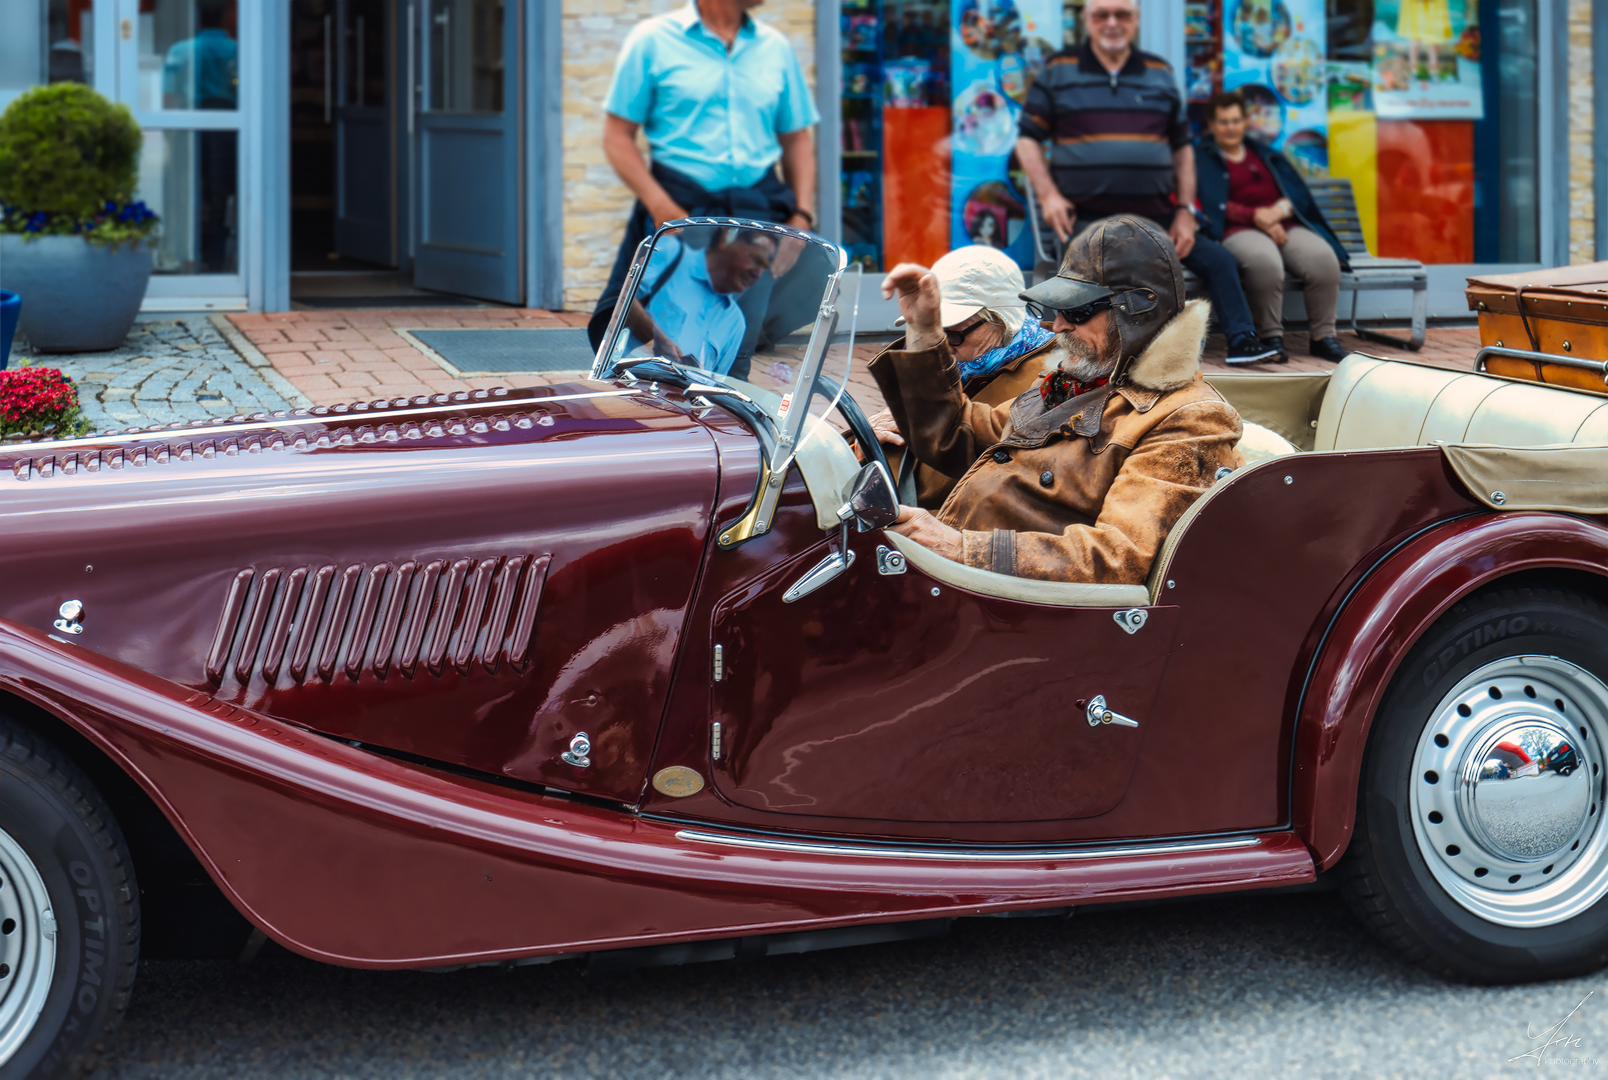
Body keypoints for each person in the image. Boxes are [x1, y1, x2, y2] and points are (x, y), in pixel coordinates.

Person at [874, 216, 1243, 585]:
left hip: (1009, 602)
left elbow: (1120, 557)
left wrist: (961, 548)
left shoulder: (1191, 418)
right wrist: (924, 329)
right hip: (959, 573)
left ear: (1137, 313)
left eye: (1077, 312)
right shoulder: (1074, 380)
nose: (1059, 326)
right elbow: (957, 435)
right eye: (1058, 310)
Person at [1013, 0, 1280, 366]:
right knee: (1101, 282)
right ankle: (1114, 356)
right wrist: (1048, 195)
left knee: (1218, 259)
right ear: (1087, 19)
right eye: (1102, 14)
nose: (1112, 22)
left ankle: (1243, 340)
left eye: (1121, 14)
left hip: (1157, 221)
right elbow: (1027, 139)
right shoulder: (1059, 70)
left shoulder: (1158, 71)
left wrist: (1185, 211)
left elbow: (1182, 148)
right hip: (1091, 224)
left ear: (1135, 19)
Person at [589, 0, 820, 379]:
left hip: (756, 212)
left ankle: (729, 429)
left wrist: (802, 216)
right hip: (680, 206)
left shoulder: (775, 47)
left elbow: (796, 139)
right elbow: (617, 136)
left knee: (737, 345)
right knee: (635, 324)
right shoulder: (652, 40)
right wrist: (659, 202)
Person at [864, 245, 1057, 508]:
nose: (942, 345)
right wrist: (863, 441)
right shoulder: (960, 362)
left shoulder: (1044, 378)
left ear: (1003, 319)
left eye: (952, 333)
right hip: (878, 500)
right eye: (933, 330)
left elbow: (956, 471)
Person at [1195, 90, 1351, 364]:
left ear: (1245, 122)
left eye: (1235, 120)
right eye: (1223, 122)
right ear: (1211, 126)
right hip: (1236, 229)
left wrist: (1277, 212)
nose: (1230, 127)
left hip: (1282, 223)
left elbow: (1297, 194)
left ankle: (1323, 338)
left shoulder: (1264, 153)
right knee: (1265, 262)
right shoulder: (1202, 159)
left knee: (1324, 261)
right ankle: (1271, 337)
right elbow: (1210, 204)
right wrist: (1256, 217)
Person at [619, 227, 778, 373]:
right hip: (627, 384)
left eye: (763, 267)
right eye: (756, 259)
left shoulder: (736, 323)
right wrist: (655, 338)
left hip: (679, 402)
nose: (757, 273)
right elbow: (620, 296)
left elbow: (714, 386)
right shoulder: (672, 254)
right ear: (727, 241)